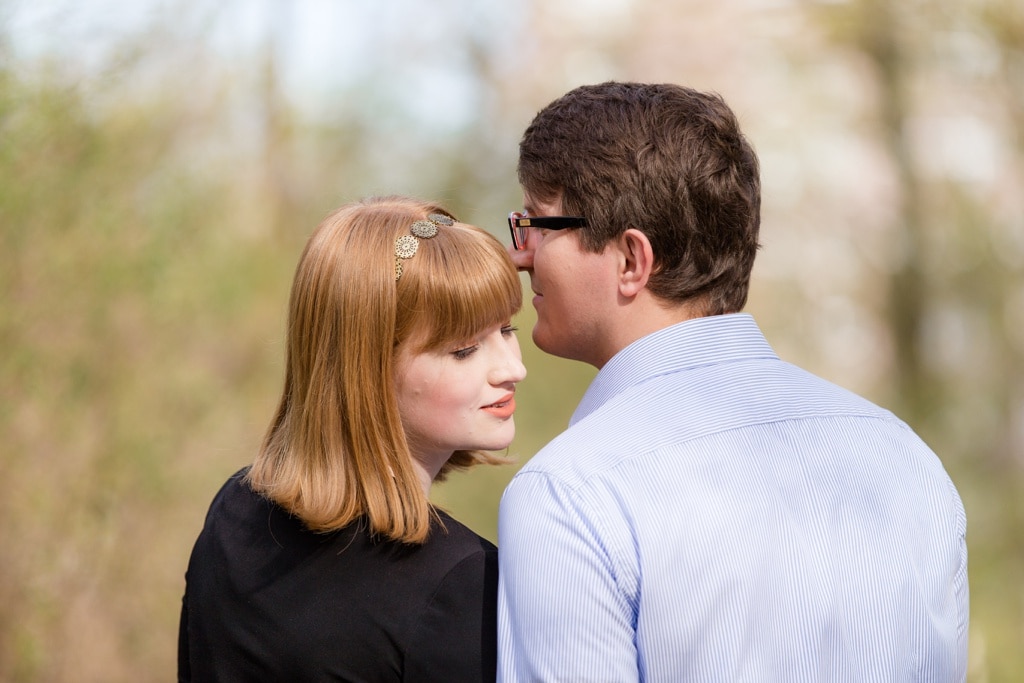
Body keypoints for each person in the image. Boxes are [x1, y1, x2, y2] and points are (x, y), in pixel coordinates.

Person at [497, 82, 968, 682]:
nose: (521, 254)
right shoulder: (904, 454)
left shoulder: (569, 494)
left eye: (539, 224)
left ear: (631, 260)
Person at [178, 195, 527, 682]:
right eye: (464, 350)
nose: (514, 369)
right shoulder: (460, 582)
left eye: (507, 329)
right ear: (367, 367)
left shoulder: (235, 508)